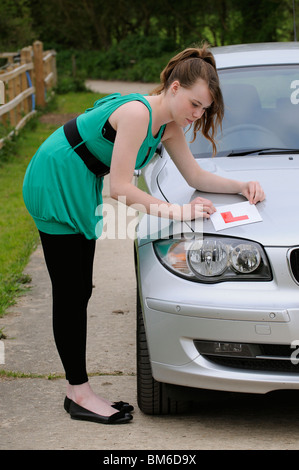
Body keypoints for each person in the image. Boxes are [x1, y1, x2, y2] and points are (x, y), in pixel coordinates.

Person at [22, 43, 265, 425]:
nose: (196, 115)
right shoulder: (138, 113)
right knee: (71, 291)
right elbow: (120, 188)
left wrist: (241, 185)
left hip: (78, 179)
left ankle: (78, 390)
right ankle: (79, 394)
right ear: (174, 88)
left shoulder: (167, 124)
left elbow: (195, 175)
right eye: (194, 104)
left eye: (203, 109)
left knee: (79, 289)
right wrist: (179, 211)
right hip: (55, 178)